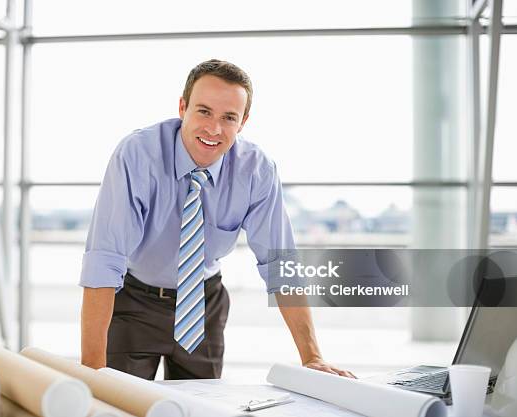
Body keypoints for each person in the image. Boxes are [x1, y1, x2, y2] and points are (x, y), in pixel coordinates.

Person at [80, 58, 355, 380]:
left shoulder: (256, 170)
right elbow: (104, 260)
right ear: (183, 107)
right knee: (121, 403)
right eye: (204, 111)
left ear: (243, 121)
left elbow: (281, 266)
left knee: (199, 406)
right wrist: (92, 374)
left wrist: (312, 357)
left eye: (229, 118)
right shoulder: (138, 155)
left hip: (203, 305)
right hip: (135, 301)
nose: (214, 129)